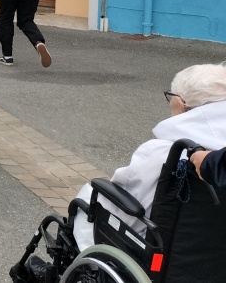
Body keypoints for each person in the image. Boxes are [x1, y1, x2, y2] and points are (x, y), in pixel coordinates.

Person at [72, 63, 226, 249]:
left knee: (89, 199)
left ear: (181, 104)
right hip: (214, 255)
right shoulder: (220, 160)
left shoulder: (165, 153)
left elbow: (123, 209)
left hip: (159, 252)